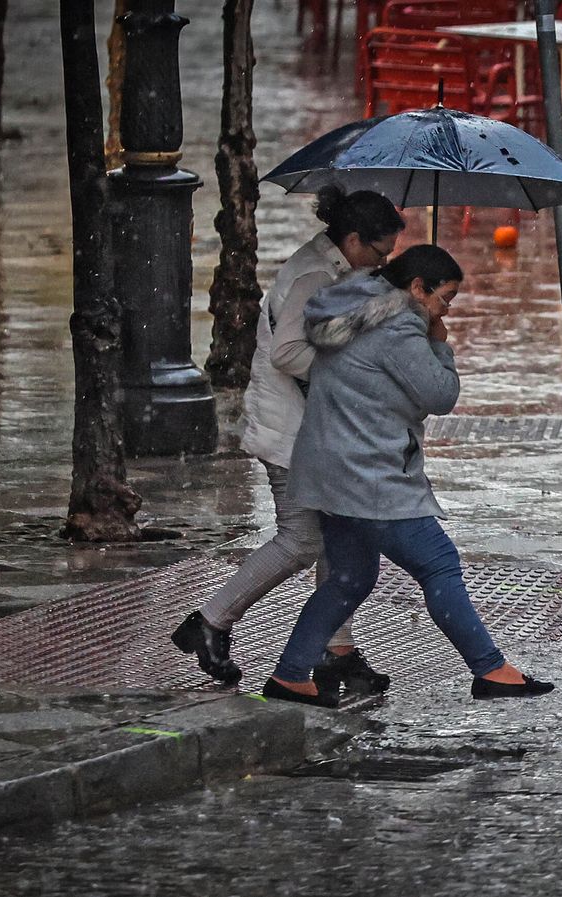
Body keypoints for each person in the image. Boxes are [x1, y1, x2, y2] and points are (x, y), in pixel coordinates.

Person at [262, 245, 554, 707]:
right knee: (437, 563)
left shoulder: (351, 305)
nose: (446, 310)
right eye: (444, 298)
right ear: (417, 287)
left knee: (350, 576)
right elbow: (441, 395)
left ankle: (291, 675)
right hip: (368, 473)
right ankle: (490, 669)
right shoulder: (398, 327)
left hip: (330, 466)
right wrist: (438, 340)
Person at [171, 187, 405, 689]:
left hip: (314, 431)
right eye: (380, 250)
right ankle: (210, 622)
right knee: (304, 539)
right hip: (292, 433)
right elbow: (288, 353)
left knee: (337, 539)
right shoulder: (315, 275)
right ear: (354, 238)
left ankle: (335, 648)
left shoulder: (339, 268)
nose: (385, 260)